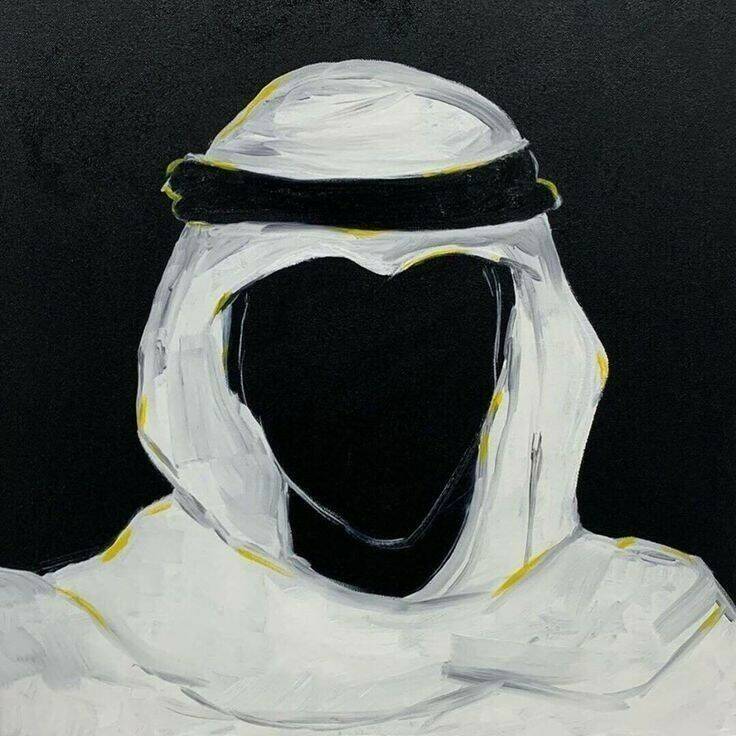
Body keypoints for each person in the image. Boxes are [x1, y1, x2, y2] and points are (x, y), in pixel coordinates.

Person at [1, 60, 733, 735]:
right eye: (316, 327)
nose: (377, 393)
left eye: (437, 328)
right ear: (222, 355)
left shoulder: (668, 649)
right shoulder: (55, 653)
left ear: (519, 348)